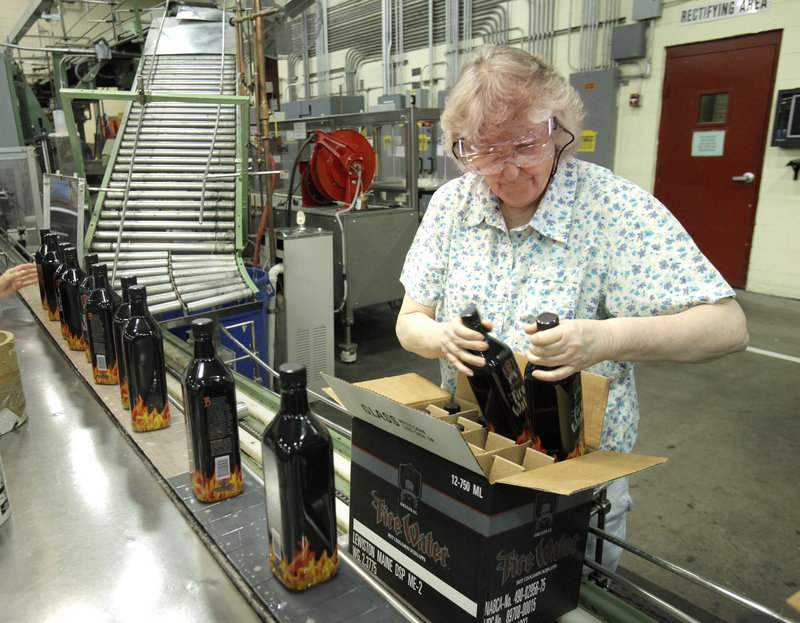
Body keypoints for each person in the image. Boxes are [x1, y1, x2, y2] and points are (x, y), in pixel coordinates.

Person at [395, 45, 749, 570]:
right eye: (485, 151)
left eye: (525, 145)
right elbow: (409, 321)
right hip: (473, 457)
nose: (508, 170)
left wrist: (604, 340)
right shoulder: (453, 204)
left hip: (576, 484)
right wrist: (439, 338)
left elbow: (727, 327)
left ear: (560, 132)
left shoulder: (611, 208)